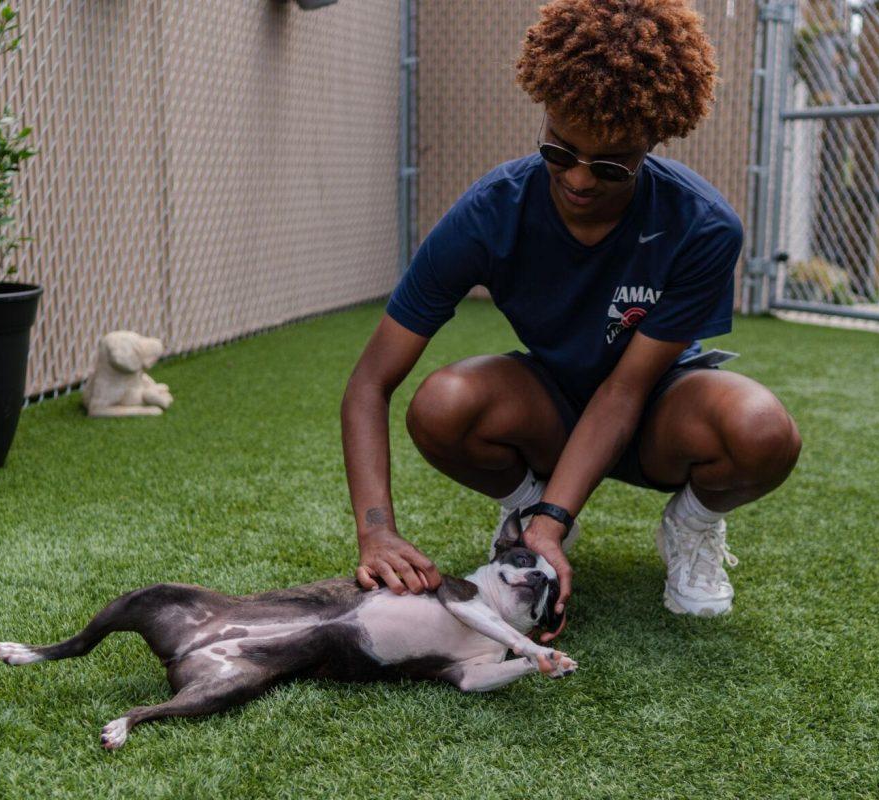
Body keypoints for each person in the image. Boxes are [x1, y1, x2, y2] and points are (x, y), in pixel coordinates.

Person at [340, 0, 801, 641]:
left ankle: (691, 523)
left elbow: (625, 390)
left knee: (761, 431)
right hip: (552, 408)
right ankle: (527, 502)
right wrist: (376, 529)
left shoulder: (701, 225)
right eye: (560, 149)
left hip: (657, 409)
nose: (580, 178)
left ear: (653, 142)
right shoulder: (489, 214)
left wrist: (555, 526)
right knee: (443, 405)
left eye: (611, 164)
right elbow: (369, 384)